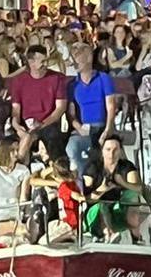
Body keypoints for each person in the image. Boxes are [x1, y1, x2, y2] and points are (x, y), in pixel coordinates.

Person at [64, 43, 118, 182]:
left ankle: (101, 181)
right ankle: (84, 182)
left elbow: (111, 106)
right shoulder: (73, 85)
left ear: (88, 58)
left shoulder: (103, 78)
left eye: (78, 58)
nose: (75, 63)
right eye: (73, 59)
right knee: (72, 148)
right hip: (83, 128)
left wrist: (108, 129)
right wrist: (78, 127)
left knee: (100, 150)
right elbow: (71, 113)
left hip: (101, 126)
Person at [7, 46, 69, 164]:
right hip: (26, 123)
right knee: (15, 140)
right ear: (31, 62)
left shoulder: (57, 78)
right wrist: (16, 125)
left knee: (53, 138)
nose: (45, 64)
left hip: (48, 123)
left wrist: (41, 125)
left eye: (46, 61)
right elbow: (16, 110)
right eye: (42, 61)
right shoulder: (19, 81)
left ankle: (57, 171)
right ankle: (18, 170)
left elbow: (60, 108)